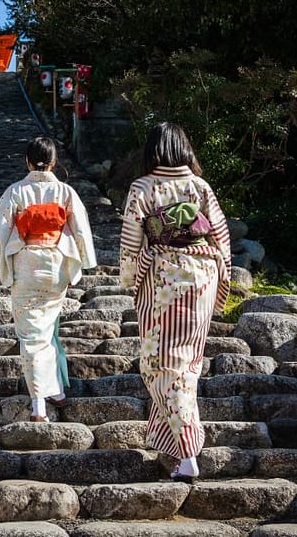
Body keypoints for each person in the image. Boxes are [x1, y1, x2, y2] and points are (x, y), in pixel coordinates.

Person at [118, 122, 231, 482]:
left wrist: (130, 276)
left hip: (164, 276)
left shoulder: (143, 187)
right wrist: (222, 276)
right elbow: (221, 237)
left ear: (153, 151)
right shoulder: (200, 186)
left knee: (160, 365)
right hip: (202, 274)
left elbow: (131, 243)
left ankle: (188, 452)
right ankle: (175, 446)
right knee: (187, 363)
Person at [0, 136, 97, 422]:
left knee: (32, 336)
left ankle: (38, 404)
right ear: (54, 162)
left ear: (27, 162)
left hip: (26, 264)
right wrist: (85, 261)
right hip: (56, 264)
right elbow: (81, 230)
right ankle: (56, 390)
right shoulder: (65, 192)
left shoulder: (16, 191)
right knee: (46, 330)